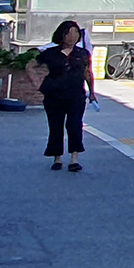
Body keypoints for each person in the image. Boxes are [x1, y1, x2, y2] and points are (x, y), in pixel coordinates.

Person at [40, 20, 95, 172]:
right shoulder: (50, 53)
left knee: (75, 125)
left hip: (76, 95)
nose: (72, 37)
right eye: (69, 33)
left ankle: (74, 158)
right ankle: (57, 157)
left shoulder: (82, 53)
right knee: (55, 126)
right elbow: (31, 65)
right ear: (62, 35)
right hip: (54, 96)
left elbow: (87, 73)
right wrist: (38, 84)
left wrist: (92, 92)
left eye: (75, 33)